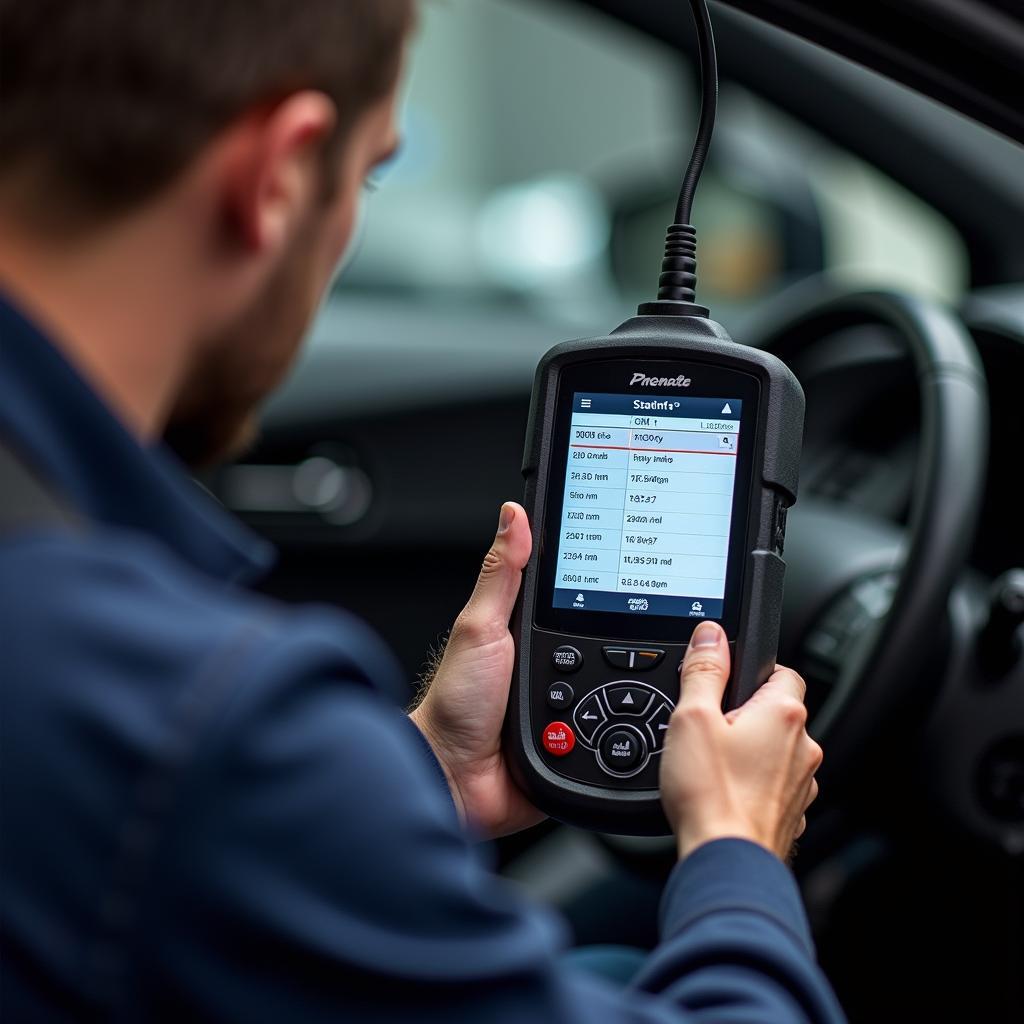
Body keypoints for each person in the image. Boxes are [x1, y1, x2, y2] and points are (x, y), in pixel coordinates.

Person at [0, 2, 843, 1021]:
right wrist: (735, 852)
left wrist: (418, 775)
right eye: (365, 176)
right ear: (278, 174)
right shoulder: (193, 719)